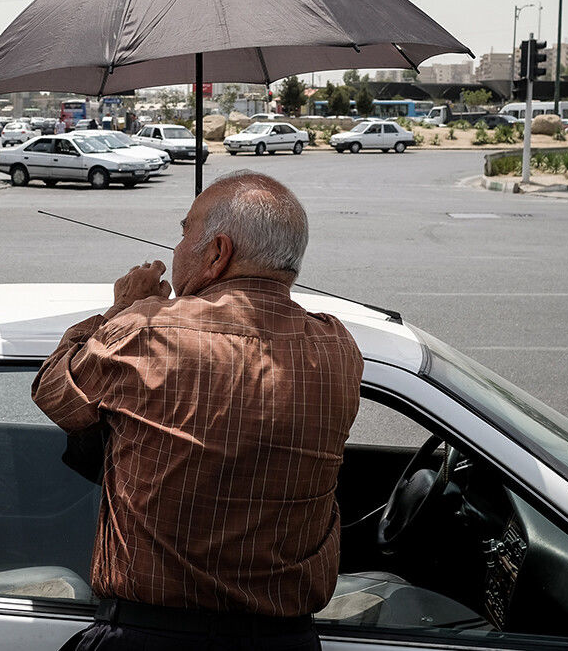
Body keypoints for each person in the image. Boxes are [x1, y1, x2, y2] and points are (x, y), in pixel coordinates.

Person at [33, 171, 363, 650]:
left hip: (148, 636)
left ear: (217, 253)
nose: (177, 245)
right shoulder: (338, 347)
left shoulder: (145, 333)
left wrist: (122, 308)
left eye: (185, 231)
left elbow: (54, 392)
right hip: (284, 641)